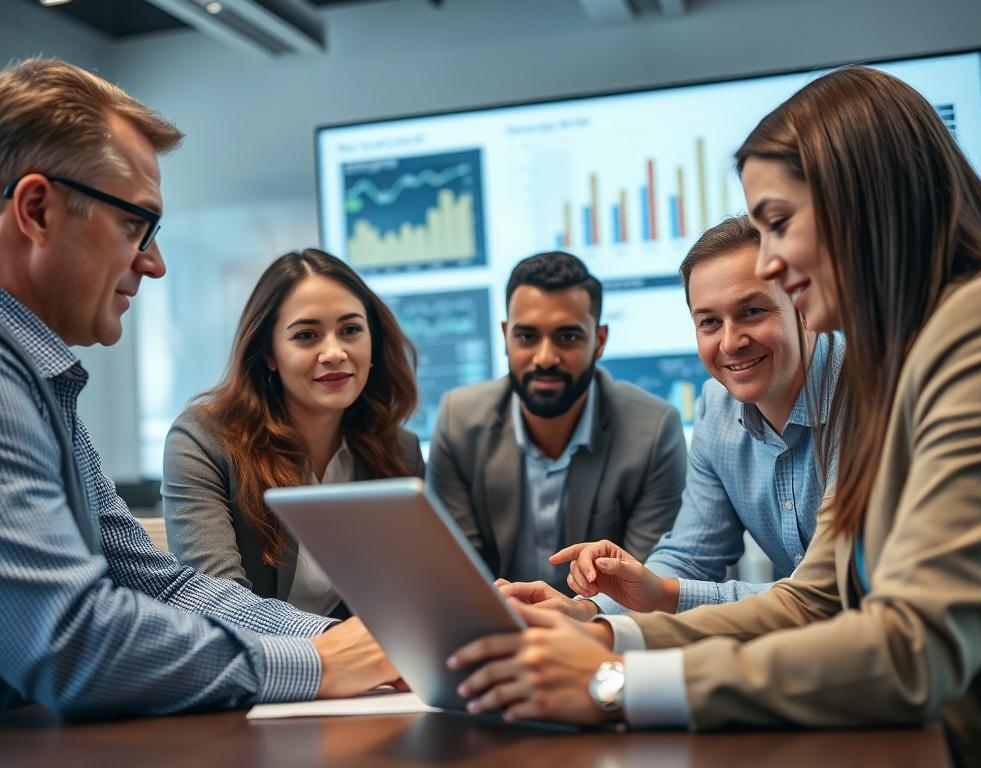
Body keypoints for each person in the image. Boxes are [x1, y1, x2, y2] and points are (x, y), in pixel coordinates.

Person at [448, 67, 981, 767]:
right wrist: (605, 637)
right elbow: (811, 601)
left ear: (862, 201)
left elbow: (909, 650)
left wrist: (616, 684)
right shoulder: (897, 360)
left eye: (778, 225)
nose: (774, 263)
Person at [0, 58, 397, 718]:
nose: (154, 263)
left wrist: (354, 646)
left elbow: (159, 585)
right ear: (37, 210)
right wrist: (317, 662)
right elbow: (68, 642)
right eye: (136, 224)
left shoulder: (44, 388)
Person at [500, 215, 842, 620]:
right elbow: (691, 557)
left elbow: (832, 591)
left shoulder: (869, 394)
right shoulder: (717, 406)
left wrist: (665, 593)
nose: (730, 342)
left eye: (752, 311)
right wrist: (588, 610)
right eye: (710, 322)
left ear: (804, 306)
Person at [163, 249, 423, 618]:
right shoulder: (203, 441)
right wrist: (333, 642)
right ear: (269, 354)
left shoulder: (401, 451)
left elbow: (407, 597)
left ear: (373, 341)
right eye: (306, 335)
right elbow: (218, 605)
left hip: (370, 671)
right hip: (261, 667)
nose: (334, 352)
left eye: (350, 330)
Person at [427, 251, 686, 590]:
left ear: (600, 341)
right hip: (493, 626)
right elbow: (458, 574)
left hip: (601, 629)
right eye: (526, 336)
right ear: (506, 336)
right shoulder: (457, 422)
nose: (545, 357)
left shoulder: (654, 431)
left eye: (567, 337)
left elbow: (644, 584)